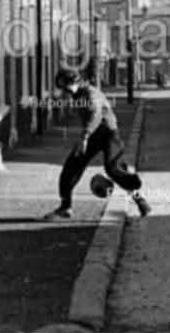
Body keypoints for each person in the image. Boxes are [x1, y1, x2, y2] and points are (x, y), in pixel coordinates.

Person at [45, 67, 150, 219]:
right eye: (62, 88)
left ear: (74, 82)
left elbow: (95, 115)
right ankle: (65, 207)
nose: (65, 91)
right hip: (93, 134)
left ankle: (139, 199)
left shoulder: (91, 93)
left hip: (108, 134)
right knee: (71, 167)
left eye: (65, 87)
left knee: (114, 168)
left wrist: (84, 137)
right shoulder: (78, 94)